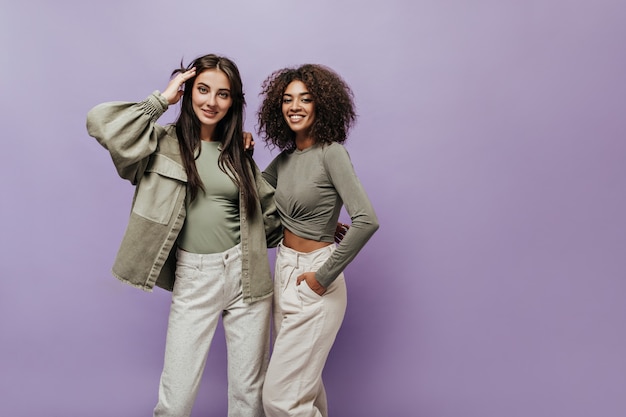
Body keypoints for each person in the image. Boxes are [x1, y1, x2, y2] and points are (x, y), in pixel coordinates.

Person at [86, 54, 283, 417]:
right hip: (195, 275)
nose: (212, 101)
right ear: (189, 90)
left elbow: (269, 217)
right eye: (203, 90)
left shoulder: (239, 151)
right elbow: (102, 124)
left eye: (223, 94)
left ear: (234, 102)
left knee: (248, 396)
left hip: (249, 274)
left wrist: (316, 227)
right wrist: (163, 98)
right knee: (175, 399)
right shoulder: (158, 143)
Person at [256, 64, 380, 417]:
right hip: (283, 273)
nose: (295, 106)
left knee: (280, 399)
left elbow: (367, 220)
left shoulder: (331, 153)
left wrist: (320, 278)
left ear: (321, 105)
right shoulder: (283, 161)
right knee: (304, 393)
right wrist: (245, 152)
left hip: (314, 279)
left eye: (305, 99)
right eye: (287, 99)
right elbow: (250, 194)